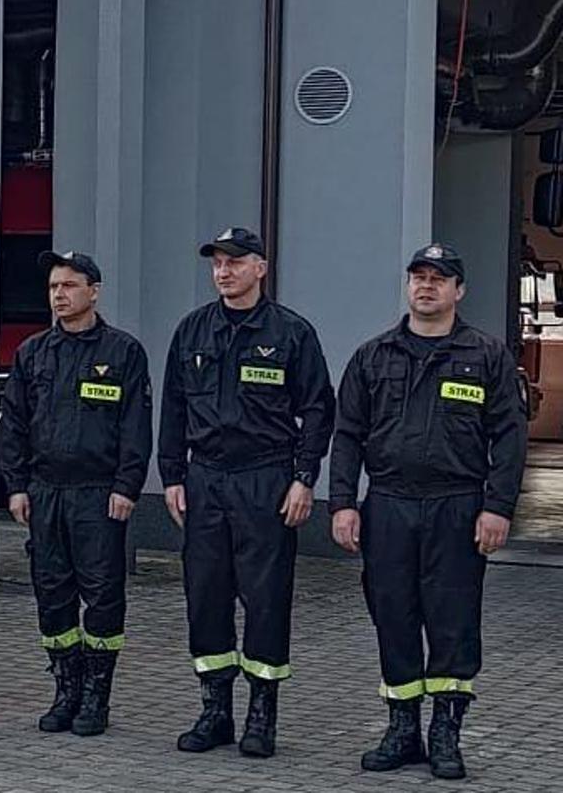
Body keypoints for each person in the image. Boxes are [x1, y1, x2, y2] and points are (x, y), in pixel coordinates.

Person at [330, 243, 525, 780]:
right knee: (392, 616)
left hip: (456, 508)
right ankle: (402, 730)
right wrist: (343, 503)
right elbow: (347, 435)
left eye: (439, 278)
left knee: (453, 620)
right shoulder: (374, 356)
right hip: (389, 505)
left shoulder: (486, 356)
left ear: (458, 291)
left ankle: (445, 733)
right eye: (418, 276)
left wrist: (498, 507)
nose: (426, 286)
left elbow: (509, 438)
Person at [159, 227, 334, 758]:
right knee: (206, 599)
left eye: (235, 262)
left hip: (266, 479)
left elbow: (318, 410)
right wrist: (171, 476)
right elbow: (172, 409)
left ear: (261, 267)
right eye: (217, 263)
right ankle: (215, 710)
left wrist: (305, 477)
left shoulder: (290, 333)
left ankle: (262, 715)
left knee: (265, 599)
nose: (223, 272)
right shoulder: (192, 331)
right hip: (205, 478)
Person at [0, 251, 151, 735]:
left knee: (103, 596)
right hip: (45, 493)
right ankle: (65, 690)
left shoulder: (123, 352)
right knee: (53, 595)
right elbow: (14, 425)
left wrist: (128, 486)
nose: (59, 295)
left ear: (94, 291)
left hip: (98, 494)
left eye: (69, 286)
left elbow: (135, 428)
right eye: (53, 287)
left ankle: (96, 697)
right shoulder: (33, 353)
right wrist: (15, 486)